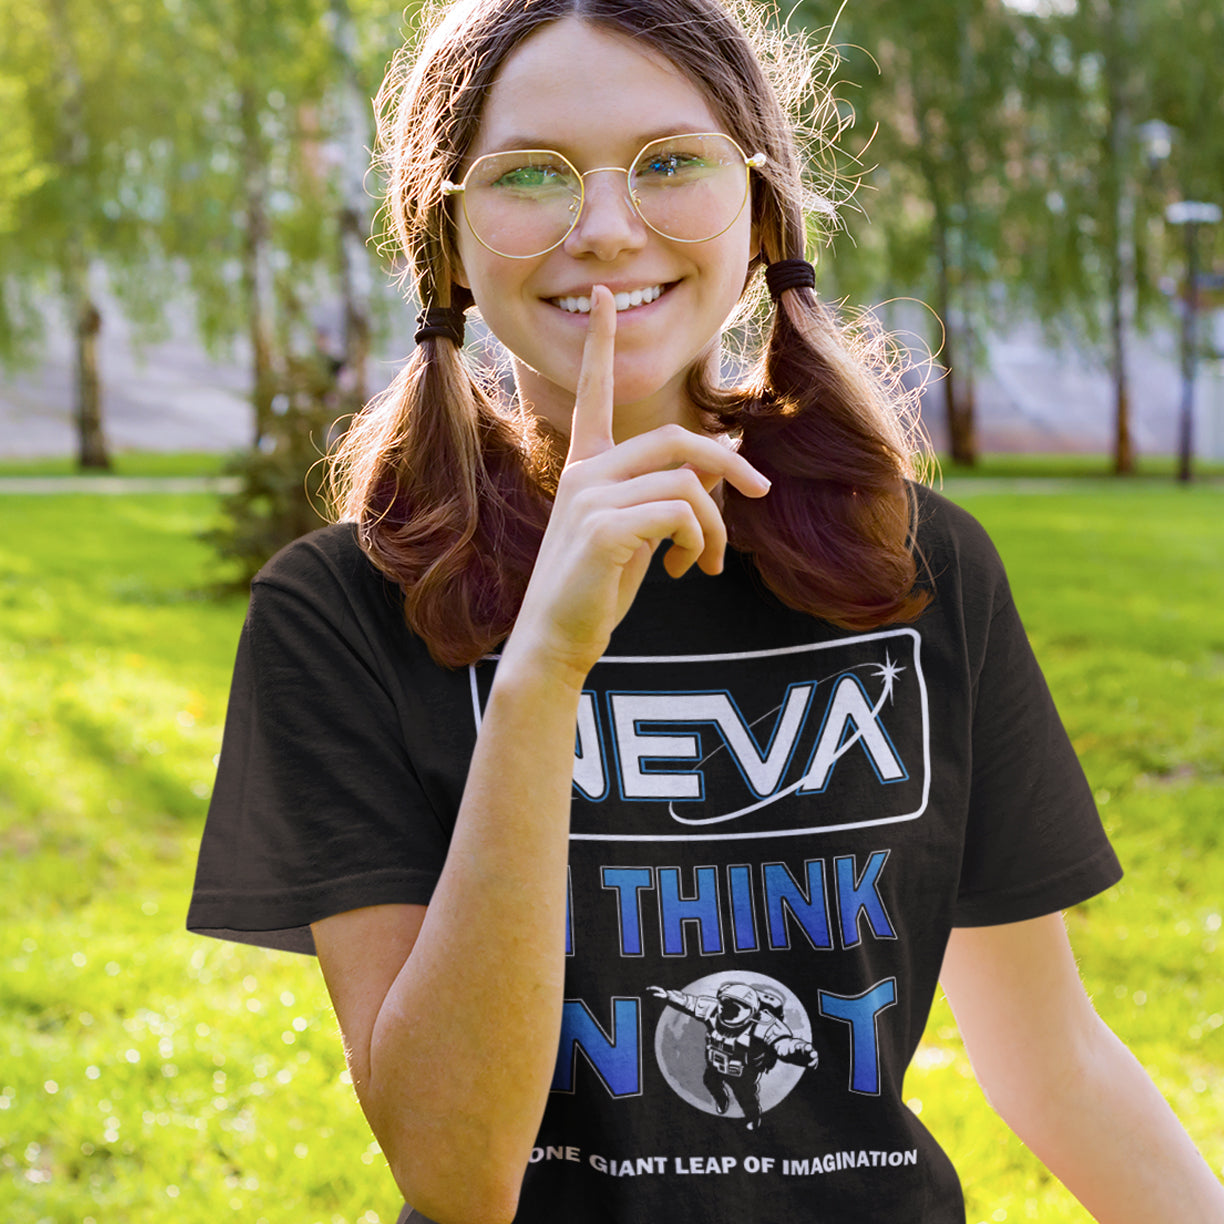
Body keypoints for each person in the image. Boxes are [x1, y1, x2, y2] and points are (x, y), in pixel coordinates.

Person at [187, 1, 1224, 1221]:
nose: (606, 228)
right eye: (531, 174)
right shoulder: (341, 611)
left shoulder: (912, 567)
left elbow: (1055, 1061)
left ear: (762, 208)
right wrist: (542, 671)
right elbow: (457, 1172)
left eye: (670, 161)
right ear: (447, 241)